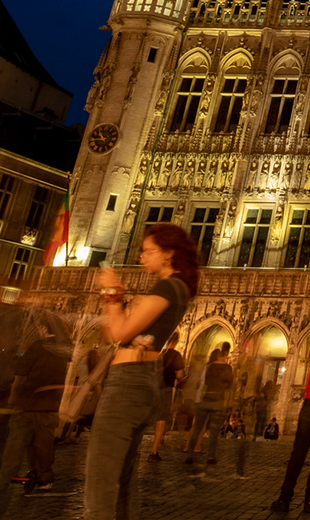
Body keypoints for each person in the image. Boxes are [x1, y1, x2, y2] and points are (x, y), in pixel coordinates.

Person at [82, 223, 199, 520]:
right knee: (121, 481)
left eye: (148, 252)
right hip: (143, 381)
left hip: (128, 384)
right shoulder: (178, 288)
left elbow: (119, 332)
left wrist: (112, 293)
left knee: (101, 482)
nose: (141, 257)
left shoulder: (168, 287)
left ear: (169, 254)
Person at [0, 321, 69, 493]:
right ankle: (45, 478)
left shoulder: (39, 346)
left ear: (43, 329)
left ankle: (1, 481)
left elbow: (20, 370)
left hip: (30, 402)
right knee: (43, 444)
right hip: (50, 405)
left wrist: (17, 359)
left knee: (16, 443)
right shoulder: (62, 350)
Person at [187, 343, 236, 470]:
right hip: (217, 402)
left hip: (204, 401)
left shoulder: (207, 367)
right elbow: (229, 386)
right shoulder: (227, 369)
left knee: (197, 429)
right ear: (223, 356)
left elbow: (202, 383)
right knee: (214, 432)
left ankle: (189, 455)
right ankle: (211, 456)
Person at [234, 372, 276, 478]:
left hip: (261, 407)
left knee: (261, 422)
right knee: (260, 421)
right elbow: (260, 397)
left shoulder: (265, 391)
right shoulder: (264, 391)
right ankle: (257, 435)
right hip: (261, 408)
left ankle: (258, 435)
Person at [150, 338, 184, 460]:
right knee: (161, 418)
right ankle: (154, 450)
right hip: (166, 388)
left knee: (147, 416)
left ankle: (136, 448)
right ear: (176, 342)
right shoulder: (176, 355)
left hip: (152, 387)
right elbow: (179, 375)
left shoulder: (159, 353)